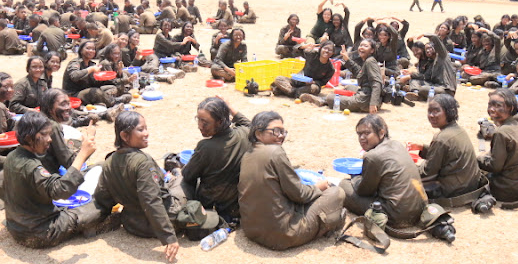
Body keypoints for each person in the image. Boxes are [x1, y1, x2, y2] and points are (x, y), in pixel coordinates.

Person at [238, 111, 345, 250]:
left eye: (283, 132)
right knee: (337, 193)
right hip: (282, 235)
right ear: (258, 134)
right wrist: (319, 187)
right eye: (276, 131)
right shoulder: (275, 152)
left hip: (251, 230)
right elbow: (300, 195)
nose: (281, 136)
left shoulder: (247, 154)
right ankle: (330, 222)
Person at [3, 111, 107, 248]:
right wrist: (82, 154)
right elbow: (61, 191)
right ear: (29, 138)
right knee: (94, 207)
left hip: (16, 226)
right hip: (39, 232)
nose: (50, 139)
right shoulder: (32, 167)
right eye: (44, 135)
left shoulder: (12, 156)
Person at [94, 111, 187, 262]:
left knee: (170, 180)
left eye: (146, 128)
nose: (147, 133)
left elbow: (102, 195)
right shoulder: (142, 162)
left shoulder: (109, 162)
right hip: (155, 225)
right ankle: (177, 172)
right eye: (141, 129)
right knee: (183, 181)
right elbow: (151, 202)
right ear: (124, 136)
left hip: (132, 224)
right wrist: (169, 237)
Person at [339, 115, 428, 227]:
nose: (361, 138)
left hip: (396, 216)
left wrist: (355, 177)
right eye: (359, 134)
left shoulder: (372, 156)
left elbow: (364, 191)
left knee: (344, 185)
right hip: (420, 210)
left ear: (381, 133)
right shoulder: (397, 144)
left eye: (367, 133)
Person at [182, 96, 251, 221]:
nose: (200, 126)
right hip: (235, 204)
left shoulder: (206, 147)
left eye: (205, 122)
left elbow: (188, 175)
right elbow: (250, 125)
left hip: (213, 205)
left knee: (178, 178)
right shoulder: (243, 134)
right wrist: (231, 109)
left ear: (220, 122)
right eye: (198, 120)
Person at [409, 94, 482, 198]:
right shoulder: (459, 130)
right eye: (429, 111)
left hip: (454, 190)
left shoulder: (441, 138)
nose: (431, 115)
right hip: (469, 185)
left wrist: (406, 167)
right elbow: (446, 154)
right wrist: (422, 147)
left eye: (436, 111)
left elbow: (427, 173)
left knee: (404, 182)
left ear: (448, 112)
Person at [478, 89, 518, 201]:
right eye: (490, 105)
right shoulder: (517, 125)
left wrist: (477, 160)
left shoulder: (501, 133)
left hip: (508, 190)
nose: (492, 109)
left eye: (498, 106)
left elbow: (495, 166)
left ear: (510, 108)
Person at [62, 40, 130, 108]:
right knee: (95, 92)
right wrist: (90, 69)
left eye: (93, 49)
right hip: (73, 94)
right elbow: (74, 76)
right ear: (81, 50)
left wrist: (103, 78)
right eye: (88, 48)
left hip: (86, 90)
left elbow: (94, 83)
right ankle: (114, 102)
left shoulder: (91, 64)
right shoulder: (75, 63)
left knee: (111, 87)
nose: (91, 51)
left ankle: (102, 101)